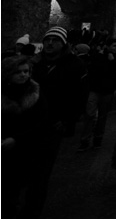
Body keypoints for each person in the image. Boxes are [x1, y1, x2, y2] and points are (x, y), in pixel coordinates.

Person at [30, 26, 87, 217]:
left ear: (63, 44)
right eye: (47, 39)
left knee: (41, 172)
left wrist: (67, 120)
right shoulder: (34, 64)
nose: (50, 43)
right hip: (29, 124)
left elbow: (79, 96)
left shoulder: (74, 65)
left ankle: (33, 210)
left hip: (53, 124)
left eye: (55, 40)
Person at [2, 55, 52, 218]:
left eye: (26, 71)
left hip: (27, 150)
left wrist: (17, 139)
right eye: (18, 72)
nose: (23, 75)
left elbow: (42, 124)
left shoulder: (35, 94)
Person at [79, 38, 116, 151]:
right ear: (108, 46)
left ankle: (97, 138)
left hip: (107, 91)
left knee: (102, 116)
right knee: (89, 114)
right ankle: (85, 139)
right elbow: (92, 69)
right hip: (95, 89)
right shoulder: (98, 56)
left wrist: (113, 60)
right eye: (114, 45)